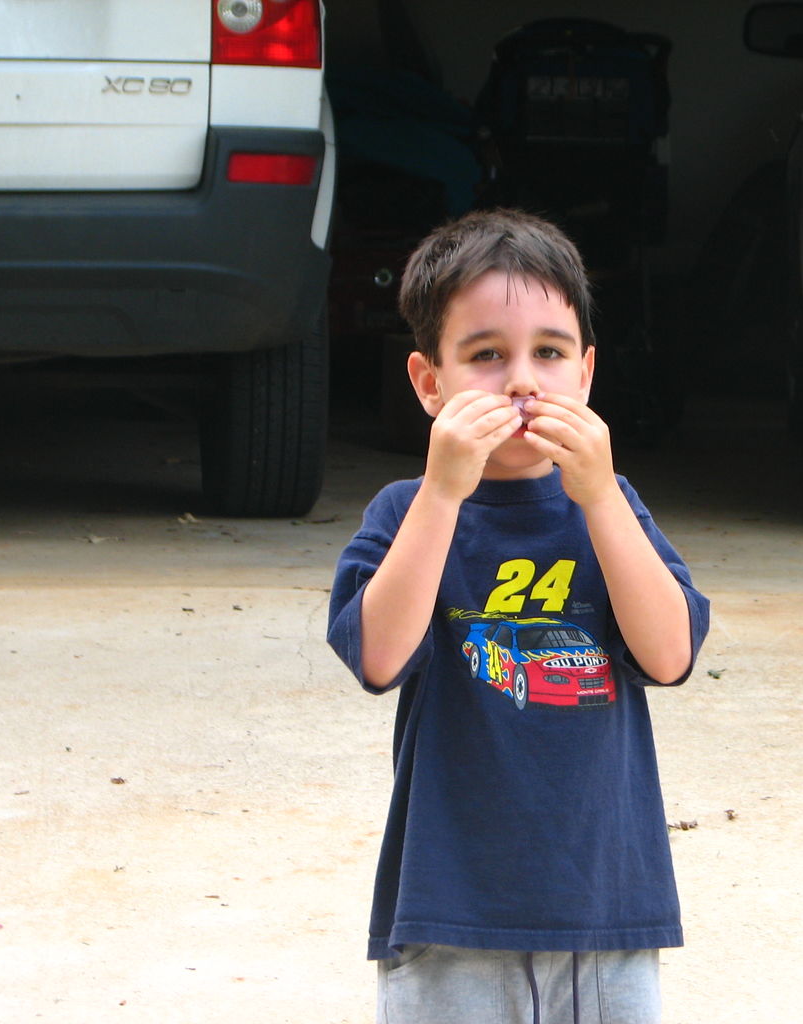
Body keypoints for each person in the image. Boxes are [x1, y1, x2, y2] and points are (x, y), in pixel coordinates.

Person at [326, 208, 710, 1024]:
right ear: (430, 384)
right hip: (450, 911)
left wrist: (600, 495)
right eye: (486, 356)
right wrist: (442, 491)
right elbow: (380, 658)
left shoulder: (608, 510)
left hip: (604, 909)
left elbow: (670, 654)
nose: (522, 381)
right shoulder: (406, 512)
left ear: (586, 374)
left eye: (548, 353)